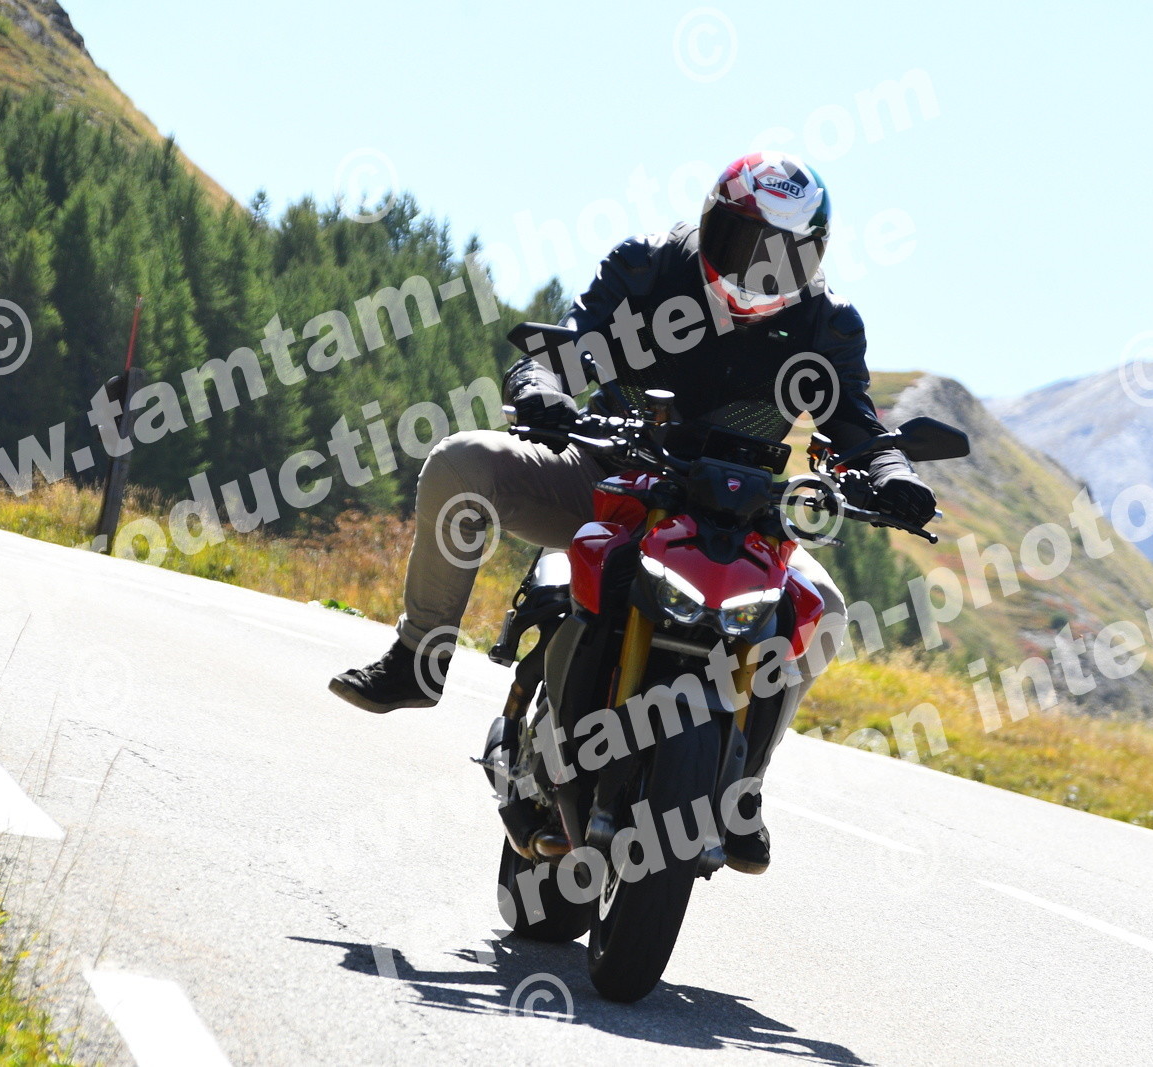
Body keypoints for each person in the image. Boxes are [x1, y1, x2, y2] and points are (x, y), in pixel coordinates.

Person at [330, 152, 936, 873]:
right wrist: (540, 387)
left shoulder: (827, 321)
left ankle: (742, 787)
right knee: (463, 461)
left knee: (826, 610)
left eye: (785, 255)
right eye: (749, 244)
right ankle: (417, 656)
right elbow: (569, 345)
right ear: (713, 224)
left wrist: (893, 473)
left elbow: (857, 422)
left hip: (739, 512)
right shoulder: (649, 268)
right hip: (612, 478)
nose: (762, 268)